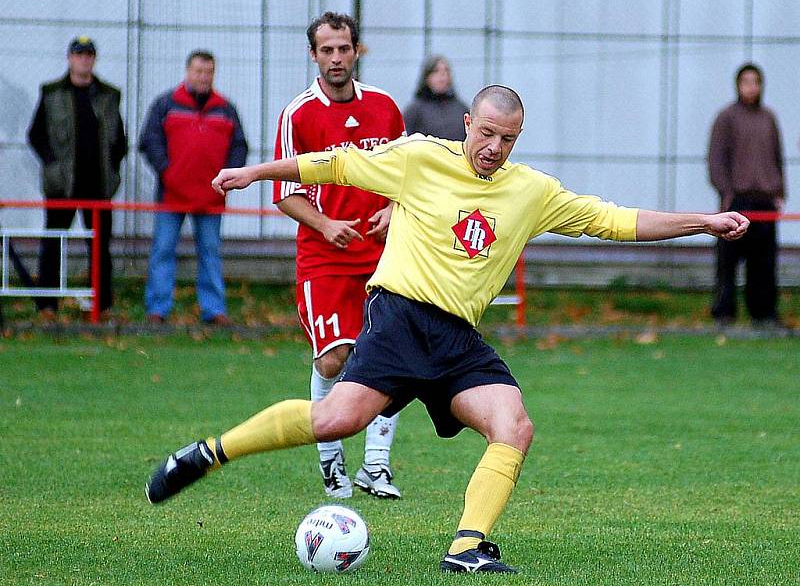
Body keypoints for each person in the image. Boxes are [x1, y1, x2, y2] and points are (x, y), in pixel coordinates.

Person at [147, 85, 749, 573]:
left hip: (458, 338)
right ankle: (208, 454)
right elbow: (333, 164)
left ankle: (467, 546)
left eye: (506, 139)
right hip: (400, 317)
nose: (493, 147)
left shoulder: (531, 191)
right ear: (467, 123)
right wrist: (254, 172)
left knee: (514, 425)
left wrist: (703, 220)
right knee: (337, 419)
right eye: (485, 133)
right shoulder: (419, 157)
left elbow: (614, 220)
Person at [273, 12, 406, 499]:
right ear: (313, 54)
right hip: (324, 258)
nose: (335, 58)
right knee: (334, 361)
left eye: (343, 49)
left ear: (356, 51)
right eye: (326, 50)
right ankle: (331, 461)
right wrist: (327, 225)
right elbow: (285, 192)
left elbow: (409, 176)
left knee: (390, 355)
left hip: (383, 257)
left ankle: (377, 466)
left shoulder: (386, 107)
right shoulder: (299, 114)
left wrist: (393, 208)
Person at [139, 50, 248, 325]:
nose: (203, 77)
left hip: (211, 196)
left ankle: (214, 310)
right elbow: (149, 140)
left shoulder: (226, 108)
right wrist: (168, 170)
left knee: (210, 253)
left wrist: (228, 178)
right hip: (171, 194)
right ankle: (157, 309)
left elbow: (239, 146)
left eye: (208, 72)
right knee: (163, 250)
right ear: (187, 72)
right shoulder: (166, 104)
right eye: (198, 71)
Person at [27, 36, 127, 321]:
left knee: (99, 247)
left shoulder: (108, 94)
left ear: (94, 59)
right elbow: (36, 135)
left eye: (88, 55)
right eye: (79, 54)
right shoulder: (52, 92)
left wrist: (113, 170)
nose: (84, 59)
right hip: (62, 187)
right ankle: (47, 305)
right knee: (53, 243)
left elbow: (119, 139)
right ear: (69, 58)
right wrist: (53, 167)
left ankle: (101, 306)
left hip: (98, 187)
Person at [708, 63, 785, 327]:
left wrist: (779, 191)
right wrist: (726, 191)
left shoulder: (768, 118)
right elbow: (716, 160)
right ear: (738, 85)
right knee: (728, 262)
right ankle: (724, 313)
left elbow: (777, 158)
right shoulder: (726, 118)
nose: (752, 87)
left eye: (756, 82)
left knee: (763, 264)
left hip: (765, 202)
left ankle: (764, 315)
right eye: (747, 82)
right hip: (737, 202)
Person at [403, 55, 469, 140]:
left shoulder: (461, 109)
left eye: (446, 71)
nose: (442, 75)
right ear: (426, 77)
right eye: (436, 71)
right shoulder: (414, 111)